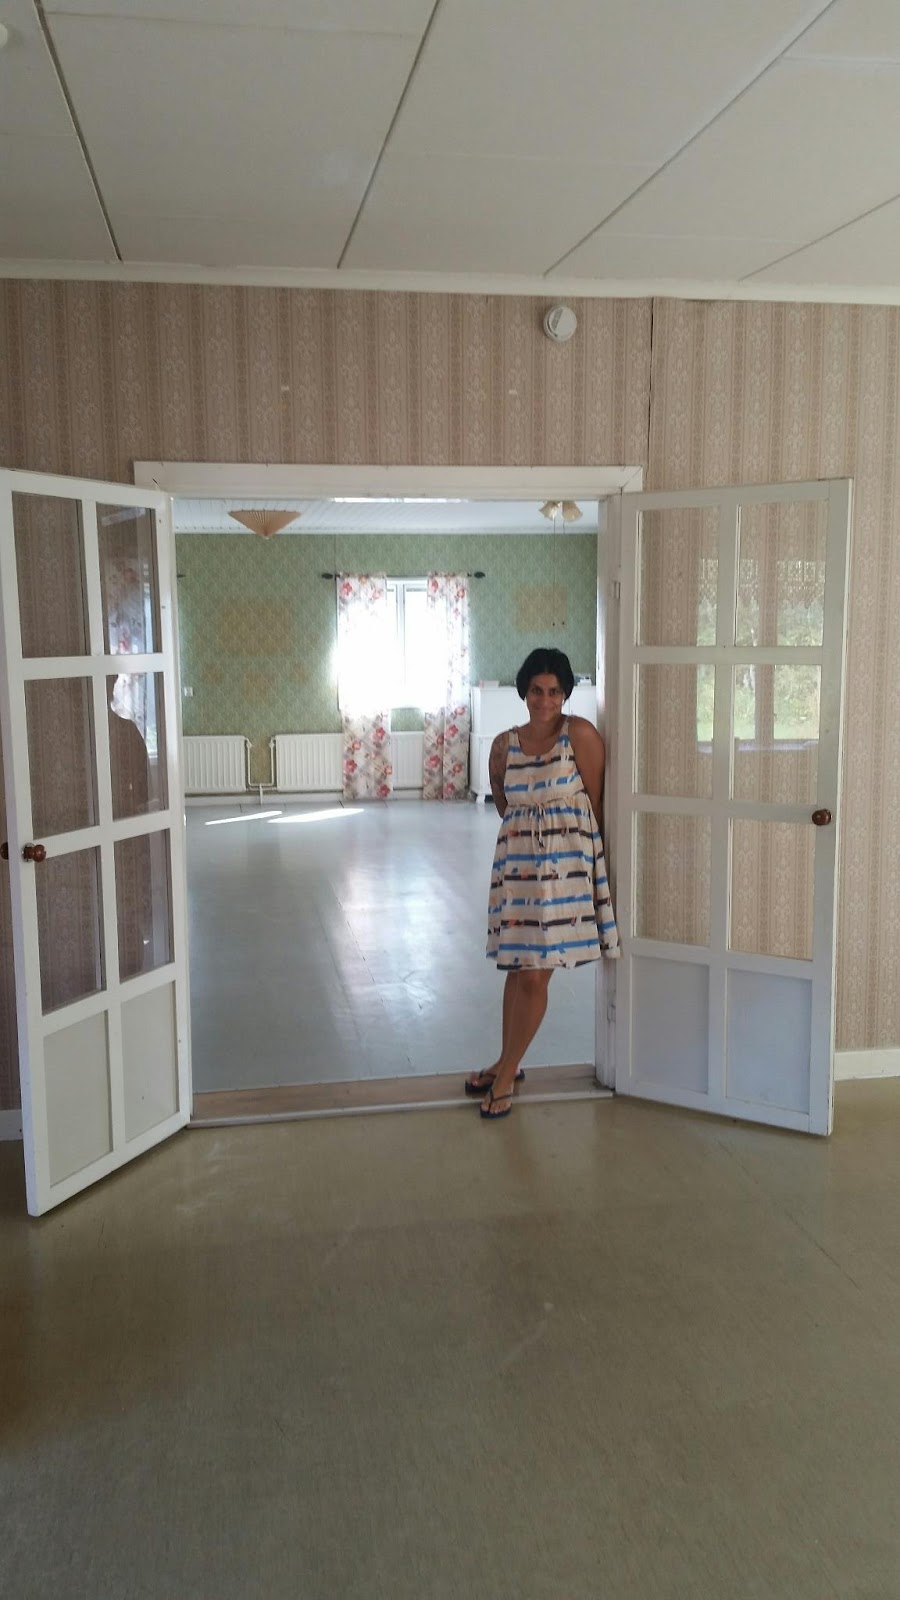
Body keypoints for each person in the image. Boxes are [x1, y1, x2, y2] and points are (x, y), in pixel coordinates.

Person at [465, 647, 619, 1120]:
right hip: (518, 872)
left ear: (566, 693)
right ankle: (505, 1062)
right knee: (517, 971)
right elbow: (505, 805)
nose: (545, 700)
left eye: (554, 691)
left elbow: (596, 803)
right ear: (524, 691)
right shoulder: (503, 745)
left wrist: (588, 873)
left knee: (535, 976)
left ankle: (506, 1075)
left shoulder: (581, 735)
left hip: (566, 873)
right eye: (537, 690)